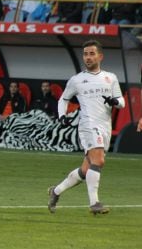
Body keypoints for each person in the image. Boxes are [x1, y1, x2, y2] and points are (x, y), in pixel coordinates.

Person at [48, 40, 125, 215]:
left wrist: (114, 101)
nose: (88, 57)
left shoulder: (110, 77)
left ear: (100, 56)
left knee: (85, 170)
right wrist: (62, 116)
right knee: (99, 161)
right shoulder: (77, 80)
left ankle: (56, 191)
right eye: (85, 54)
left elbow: (122, 101)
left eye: (91, 53)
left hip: (104, 125)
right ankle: (94, 203)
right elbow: (63, 99)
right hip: (88, 125)